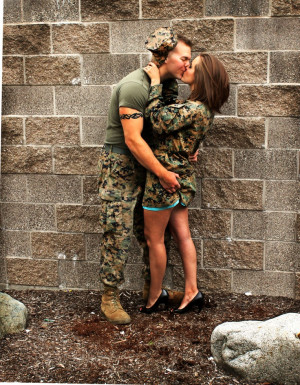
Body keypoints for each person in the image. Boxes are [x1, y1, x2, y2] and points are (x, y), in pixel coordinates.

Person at [98, 27, 193, 325]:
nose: (188, 64)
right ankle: (109, 297)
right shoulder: (134, 87)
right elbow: (134, 140)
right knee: (118, 229)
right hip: (122, 164)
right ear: (165, 57)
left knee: (151, 233)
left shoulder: (165, 88)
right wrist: (164, 173)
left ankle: (151, 290)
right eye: (185, 58)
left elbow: (163, 127)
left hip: (149, 162)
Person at [139, 53, 230, 314]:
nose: (187, 65)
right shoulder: (202, 109)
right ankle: (192, 291)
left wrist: (155, 82)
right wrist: (190, 150)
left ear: (203, 78)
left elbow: (156, 121)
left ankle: (155, 297)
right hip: (183, 177)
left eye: (194, 65)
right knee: (182, 235)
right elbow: (188, 140)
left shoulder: (192, 108)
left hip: (165, 180)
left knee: (153, 238)